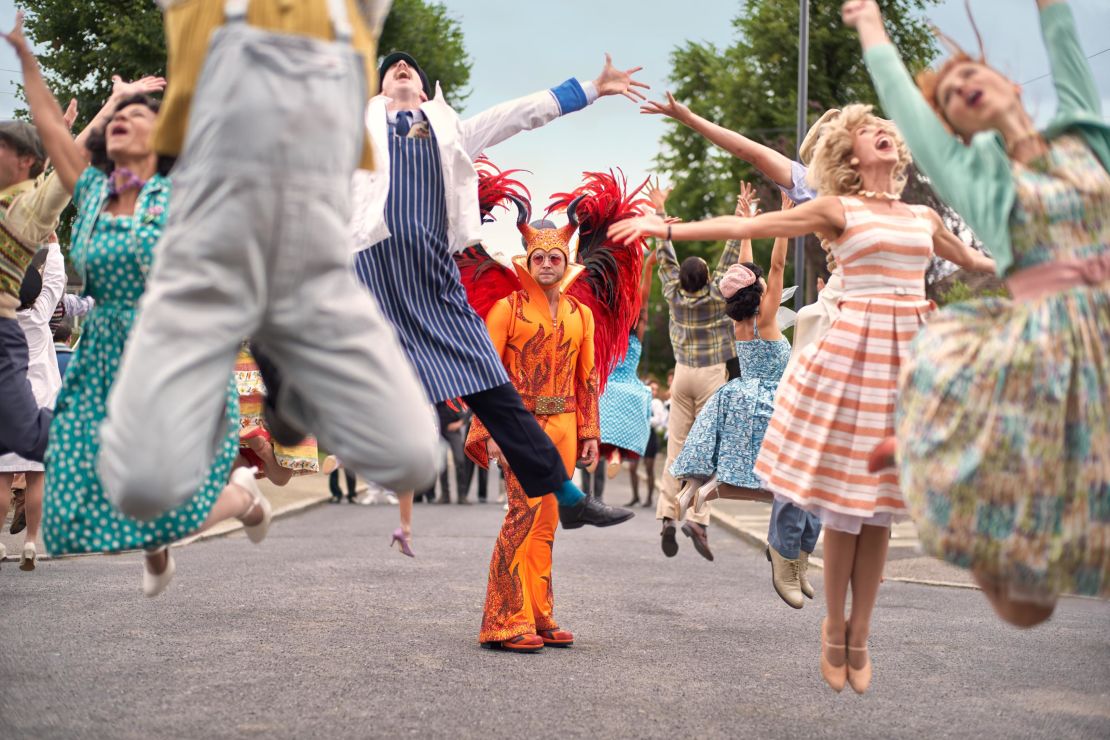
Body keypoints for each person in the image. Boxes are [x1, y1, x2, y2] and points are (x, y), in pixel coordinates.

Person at [610, 103, 994, 695]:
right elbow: (749, 228)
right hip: (842, 342)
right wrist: (667, 226)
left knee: (881, 506)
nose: (884, 133)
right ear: (844, 152)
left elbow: (976, 260)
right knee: (841, 499)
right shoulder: (829, 202)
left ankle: (856, 632)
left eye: (888, 129)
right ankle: (826, 617)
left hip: (903, 359)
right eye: (868, 130)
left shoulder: (921, 215)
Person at [95, 0, 439, 524]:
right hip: (206, 263)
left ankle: (289, 392)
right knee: (141, 488)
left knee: (413, 458)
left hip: (314, 271)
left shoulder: (356, 13)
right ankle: (207, 402)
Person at [846, 0, 1110, 621]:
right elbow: (907, 106)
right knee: (1030, 606)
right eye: (950, 95)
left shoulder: (1081, 134)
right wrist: (869, 25)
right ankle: (946, 476)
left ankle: (928, 454)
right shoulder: (974, 176)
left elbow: (1063, 32)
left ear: (1010, 86)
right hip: (1051, 354)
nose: (963, 84)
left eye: (972, 74)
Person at [5, 15, 277, 594]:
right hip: (107, 353)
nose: (125, 122)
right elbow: (53, 135)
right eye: (119, 119)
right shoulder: (95, 193)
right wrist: (25, 57)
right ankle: (156, 542)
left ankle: (242, 504)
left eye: (139, 117)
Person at [350, 51, 647, 529]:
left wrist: (591, 89)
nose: (401, 68)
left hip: (435, 284)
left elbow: (519, 114)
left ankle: (567, 497)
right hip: (370, 279)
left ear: (425, 93)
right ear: (379, 90)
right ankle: (282, 422)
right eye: (391, 68)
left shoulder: (451, 133)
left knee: (498, 394)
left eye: (410, 68)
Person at [467, 217, 603, 653]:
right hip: (519, 424)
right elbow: (485, 373)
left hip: (564, 423)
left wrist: (589, 432)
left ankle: (539, 614)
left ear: (567, 262)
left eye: (555, 257)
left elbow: (588, 377)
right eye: (540, 257)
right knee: (521, 516)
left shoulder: (581, 315)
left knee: (547, 523)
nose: (547, 264)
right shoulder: (508, 308)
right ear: (527, 261)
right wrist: (489, 432)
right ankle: (505, 619)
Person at [670, 188, 800, 583]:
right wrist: (783, 220)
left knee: (734, 461)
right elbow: (775, 267)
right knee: (782, 484)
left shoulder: (739, 319)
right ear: (756, 291)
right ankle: (713, 490)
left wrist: (746, 223)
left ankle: (695, 486)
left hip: (738, 393)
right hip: (772, 398)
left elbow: (751, 269)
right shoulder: (768, 314)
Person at [647, 181, 749, 562]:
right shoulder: (714, 295)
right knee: (706, 449)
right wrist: (741, 216)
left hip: (681, 374)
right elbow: (730, 254)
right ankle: (699, 519)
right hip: (710, 375)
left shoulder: (674, 293)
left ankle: (667, 515)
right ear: (709, 279)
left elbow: (664, 256)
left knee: (676, 448)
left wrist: (660, 212)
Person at [0, 114, 70, 464]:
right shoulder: (41, 315)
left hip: (8, 390)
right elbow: (55, 282)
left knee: (21, 449)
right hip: (35, 393)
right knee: (34, 468)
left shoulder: (22, 212)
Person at [0, 242, 64, 570]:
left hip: (10, 399)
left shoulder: (5, 319)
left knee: (3, 478)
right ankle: (29, 544)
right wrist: (53, 248)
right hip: (40, 400)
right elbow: (55, 281)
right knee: (36, 477)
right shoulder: (40, 317)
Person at [235, 344, 319, 487]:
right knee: (281, 477)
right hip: (262, 428)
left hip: (239, 437)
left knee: (235, 467)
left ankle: (261, 450)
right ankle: (264, 450)